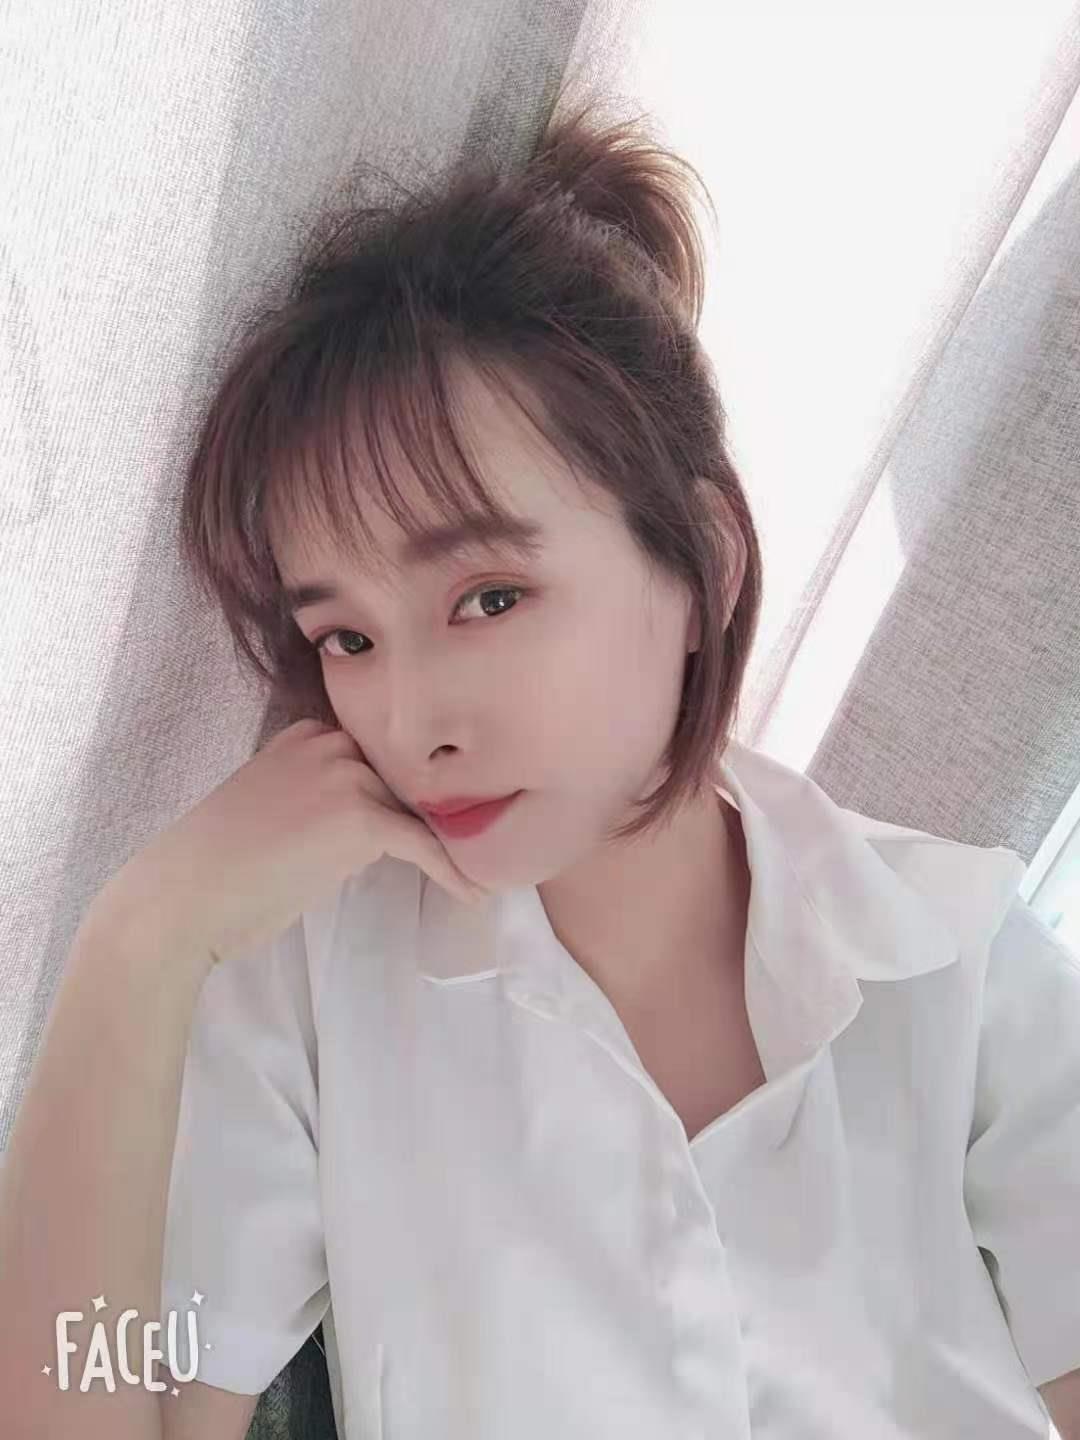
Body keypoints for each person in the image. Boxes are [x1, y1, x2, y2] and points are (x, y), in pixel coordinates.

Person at [3, 88, 1079, 1440]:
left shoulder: (956, 960)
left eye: (489, 598)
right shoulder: (314, 997)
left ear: (703, 565)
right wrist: (136, 945)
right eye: (346, 637)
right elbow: (93, 1403)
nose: (411, 719)